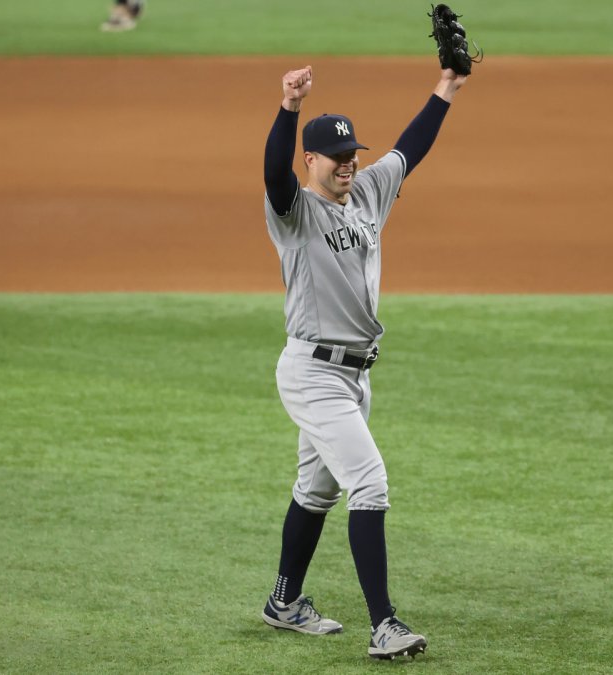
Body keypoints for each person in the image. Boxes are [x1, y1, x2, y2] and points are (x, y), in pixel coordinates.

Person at [258, 64, 468, 661]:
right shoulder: (294, 214)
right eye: (334, 156)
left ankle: (283, 601)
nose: (347, 163)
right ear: (311, 162)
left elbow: (410, 149)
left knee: (316, 491)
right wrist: (289, 107)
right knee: (369, 484)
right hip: (312, 371)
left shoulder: (369, 191)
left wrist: (446, 88)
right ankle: (385, 625)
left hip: (355, 375)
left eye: (351, 153)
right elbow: (274, 170)